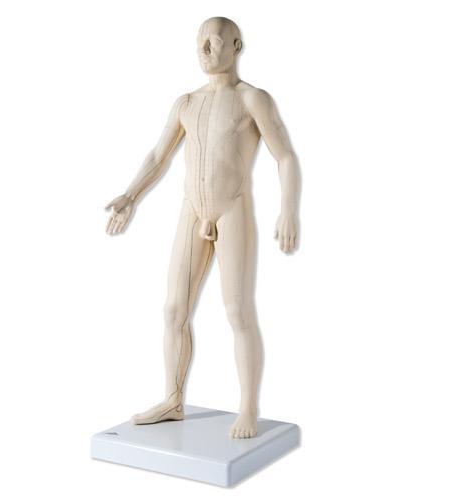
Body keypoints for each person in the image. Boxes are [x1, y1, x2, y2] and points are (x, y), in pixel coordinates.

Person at [105, 17, 300, 438]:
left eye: (212, 42)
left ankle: (248, 408)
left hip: (232, 209)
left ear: (236, 45)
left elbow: (284, 156)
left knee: (237, 311)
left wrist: (288, 210)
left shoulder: (252, 99)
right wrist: (130, 195)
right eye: (199, 43)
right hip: (191, 210)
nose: (204, 51)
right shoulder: (186, 103)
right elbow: (158, 156)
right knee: (174, 309)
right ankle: (173, 399)